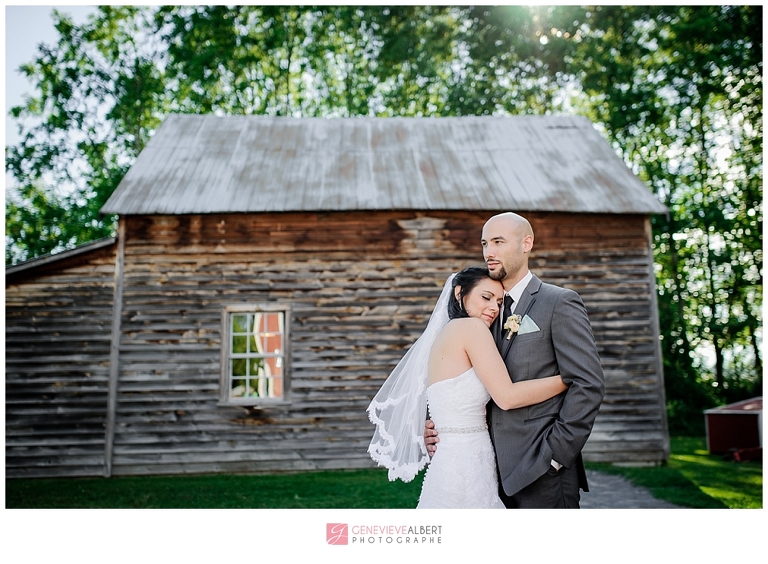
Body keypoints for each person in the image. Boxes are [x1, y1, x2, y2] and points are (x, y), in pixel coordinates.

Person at [425, 212, 605, 508]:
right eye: (484, 244)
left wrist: (556, 455)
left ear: (526, 243)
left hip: (541, 470)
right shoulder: (481, 313)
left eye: (498, 242)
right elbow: (455, 375)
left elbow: (588, 384)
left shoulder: (558, 302)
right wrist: (436, 424)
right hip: (485, 470)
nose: (488, 253)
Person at [367, 267, 568, 508]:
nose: (494, 307)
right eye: (486, 297)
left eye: (499, 301)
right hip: (467, 460)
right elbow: (507, 397)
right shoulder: (471, 329)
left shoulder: (445, 334)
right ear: (459, 293)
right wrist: (567, 379)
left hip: (450, 456)